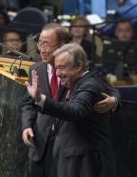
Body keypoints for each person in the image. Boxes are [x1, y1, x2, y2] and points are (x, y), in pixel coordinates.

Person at [21, 23, 119, 177]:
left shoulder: (82, 69)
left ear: (62, 46)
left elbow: (107, 90)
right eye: (39, 43)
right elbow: (29, 102)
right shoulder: (36, 69)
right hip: (39, 146)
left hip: (72, 151)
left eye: (46, 44)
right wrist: (27, 125)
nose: (41, 49)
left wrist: (114, 101)